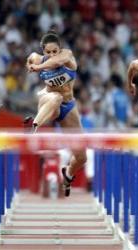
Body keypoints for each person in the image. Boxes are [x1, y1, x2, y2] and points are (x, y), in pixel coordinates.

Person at [26, 30, 87, 196]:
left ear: (60, 49)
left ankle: (67, 174)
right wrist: (29, 65)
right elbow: (30, 59)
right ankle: (34, 126)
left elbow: (55, 62)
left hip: (69, 107)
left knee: (82, 157)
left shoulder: (67, 56)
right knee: (56, 98)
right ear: (43, 51)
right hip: (48, 101)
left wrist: (37, 67)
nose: (52, 55)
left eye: (55, 51)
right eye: (48, 52)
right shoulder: (36, 57)